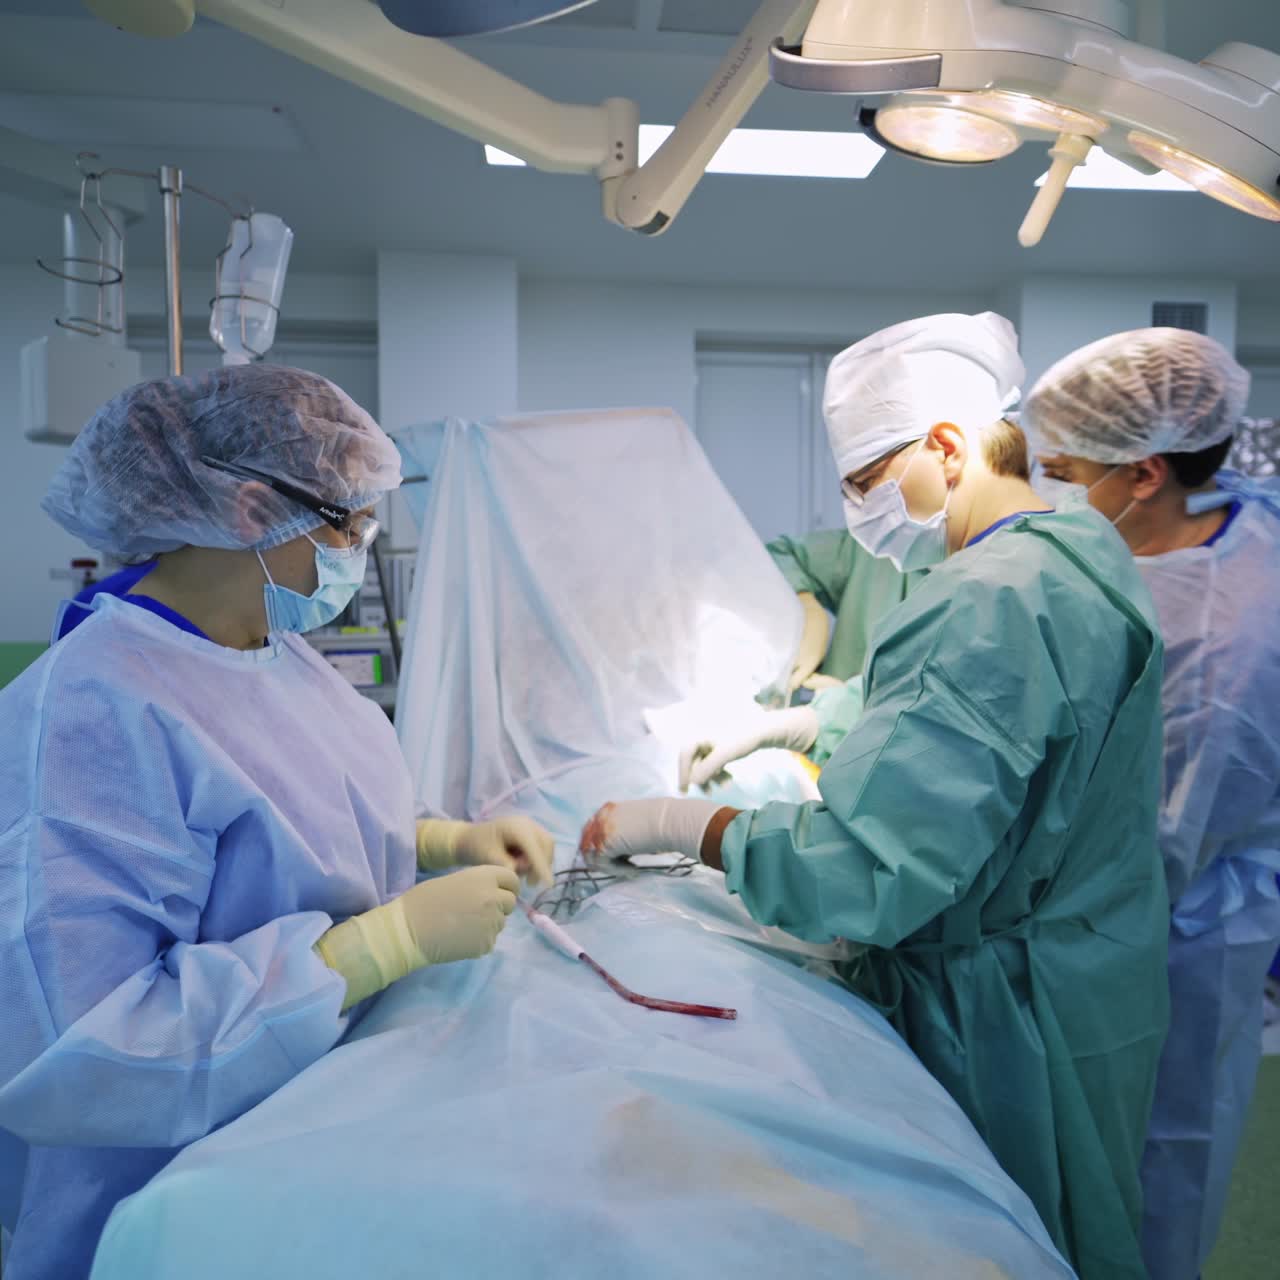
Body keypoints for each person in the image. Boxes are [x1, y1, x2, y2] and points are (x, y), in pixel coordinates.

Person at [580, 312, 1170, 1280]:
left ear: (946, 446)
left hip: (1009, 1009)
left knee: (1004, 1239)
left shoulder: (987, 598)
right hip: (1091, 964)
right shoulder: (1073, 550)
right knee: (1084, 1214)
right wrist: (798, 722)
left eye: (863, 481)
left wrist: (678, 824)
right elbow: (981, 717)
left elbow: (858, 873)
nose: (857, 508)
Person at [0, 365, 555, 1280]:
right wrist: (376, 947)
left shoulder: (276, 651)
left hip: (316, 1120)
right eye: (345, 524)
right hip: (165, 1201)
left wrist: (441, 840)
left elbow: (300, 815)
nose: (357, 551)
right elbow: (91, 1048)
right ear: (253, 508)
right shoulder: (89, 713)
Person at [1024, 328, 1280, 1280]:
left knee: (1162, 1153)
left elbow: (1168, 839)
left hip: (1186, 929)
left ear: (1144, 473)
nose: (1053, 491)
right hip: (1151, 891)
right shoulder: (1197, 525)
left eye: (1067, 474)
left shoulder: (1225, 638)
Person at [677, 533, 918, 792]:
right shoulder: (886, 546)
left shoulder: (951, 593)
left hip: (895, 786)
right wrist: (804, 601)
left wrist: (831, 716)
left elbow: (921, 698)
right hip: (824, 771)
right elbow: (774, 556)